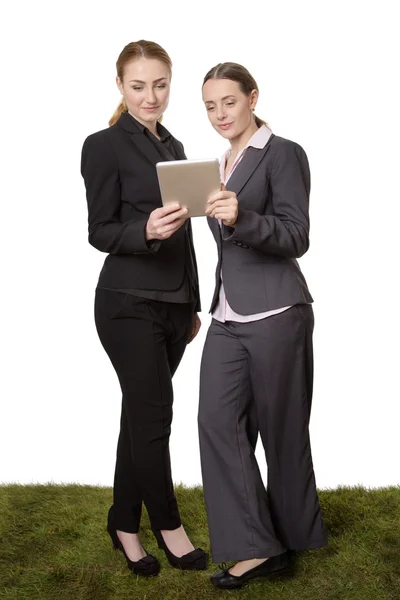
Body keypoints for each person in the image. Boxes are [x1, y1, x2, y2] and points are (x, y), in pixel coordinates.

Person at [198, 62, 328, 590]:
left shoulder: (283, 153)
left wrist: (241, 218)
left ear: (252, 97)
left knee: (281, 431)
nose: (219, 114)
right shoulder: (218, 164)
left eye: (228, 101)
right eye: (209, 106)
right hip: (227, 316)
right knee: (216, 423)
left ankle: (298, 534)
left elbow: (297, 235)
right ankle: (255, 545)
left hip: (277, 312)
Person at [80, 40, 206, 577]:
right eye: (138, 86)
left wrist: (193, 305)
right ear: (120, 86)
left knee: (140, 417)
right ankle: (169, 528)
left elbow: (189, 237)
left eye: (160, 85)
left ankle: (123, 522)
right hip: (126, 302)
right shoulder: (103, 145)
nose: (150, 96)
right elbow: (99, 230)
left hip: (173, 307)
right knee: (155, 418)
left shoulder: (176, 145)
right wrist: (144, 230)